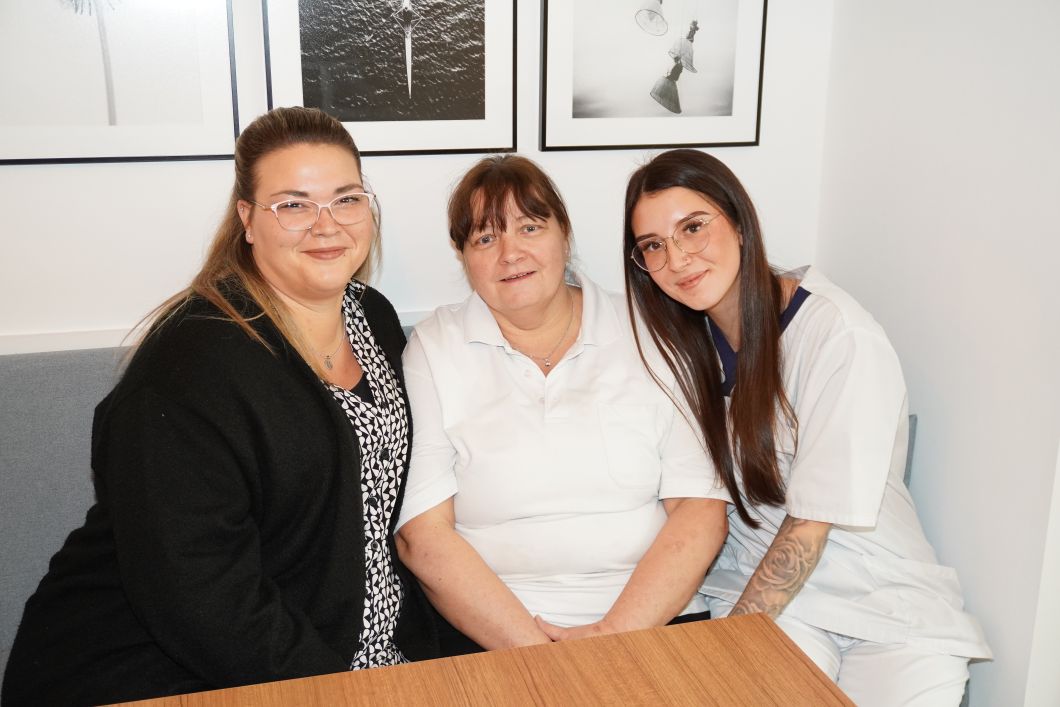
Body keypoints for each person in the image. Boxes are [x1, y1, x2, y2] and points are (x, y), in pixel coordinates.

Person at [1, 107, 437, 706]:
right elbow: (201, 598)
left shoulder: (374, 319)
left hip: (345, 652)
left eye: (346, 198)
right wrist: (343, 691)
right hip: (159, 668)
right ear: (247, 220)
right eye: (293, 203)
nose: (326, 224)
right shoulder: (189, 369)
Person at [622, 149, 991, 705]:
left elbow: (810, 528)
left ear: (741, 223)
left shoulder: (838, 335)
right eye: (654, 245)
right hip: (769, 599)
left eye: (693, 228)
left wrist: (729, 645)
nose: (677, 259)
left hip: (882, 597)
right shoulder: (677, 344)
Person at [394, 155, 730, 655]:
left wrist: (611, 638)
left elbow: (700, 510)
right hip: (492, 634)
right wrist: (544, 654)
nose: (510, 253)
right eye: (485, 238)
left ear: (564, 236)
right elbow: (423, 535)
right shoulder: (435, 345)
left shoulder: (651, 330)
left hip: (656, 622)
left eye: (530, 227)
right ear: (463, 256)